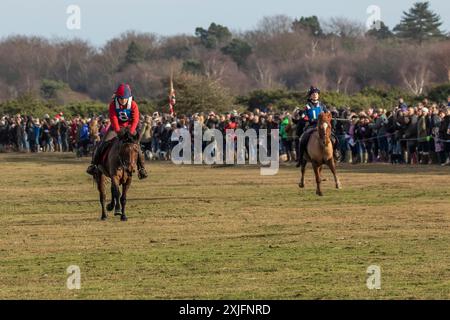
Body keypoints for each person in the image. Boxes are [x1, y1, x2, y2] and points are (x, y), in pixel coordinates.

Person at [86, 83, 148, 179]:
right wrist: (118, 131)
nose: (123, 100)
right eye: (121, 98)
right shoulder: (113, 105)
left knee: (137, 146)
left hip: (130, 128)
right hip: (116, 128)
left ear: (129, 97)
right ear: (117, 97)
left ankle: (142, 169)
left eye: (125, 98)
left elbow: (136, 119)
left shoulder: (133, 104)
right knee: (103, 143)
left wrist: (131, 131)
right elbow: (113, 118)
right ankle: (94, 165)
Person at [296, 86, 341, 166]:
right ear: (310, 96)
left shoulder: (322, 105)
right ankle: (300, 158)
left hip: (322, 126)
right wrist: (307, 117)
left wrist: (332, 114)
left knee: (334, 137)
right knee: (303, 139)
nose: (315, 95)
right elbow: (304, 116)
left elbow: (327, 114)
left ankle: (335, 152)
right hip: (312, 126)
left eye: (316, 93)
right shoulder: (307, 106)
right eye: (313, 94)